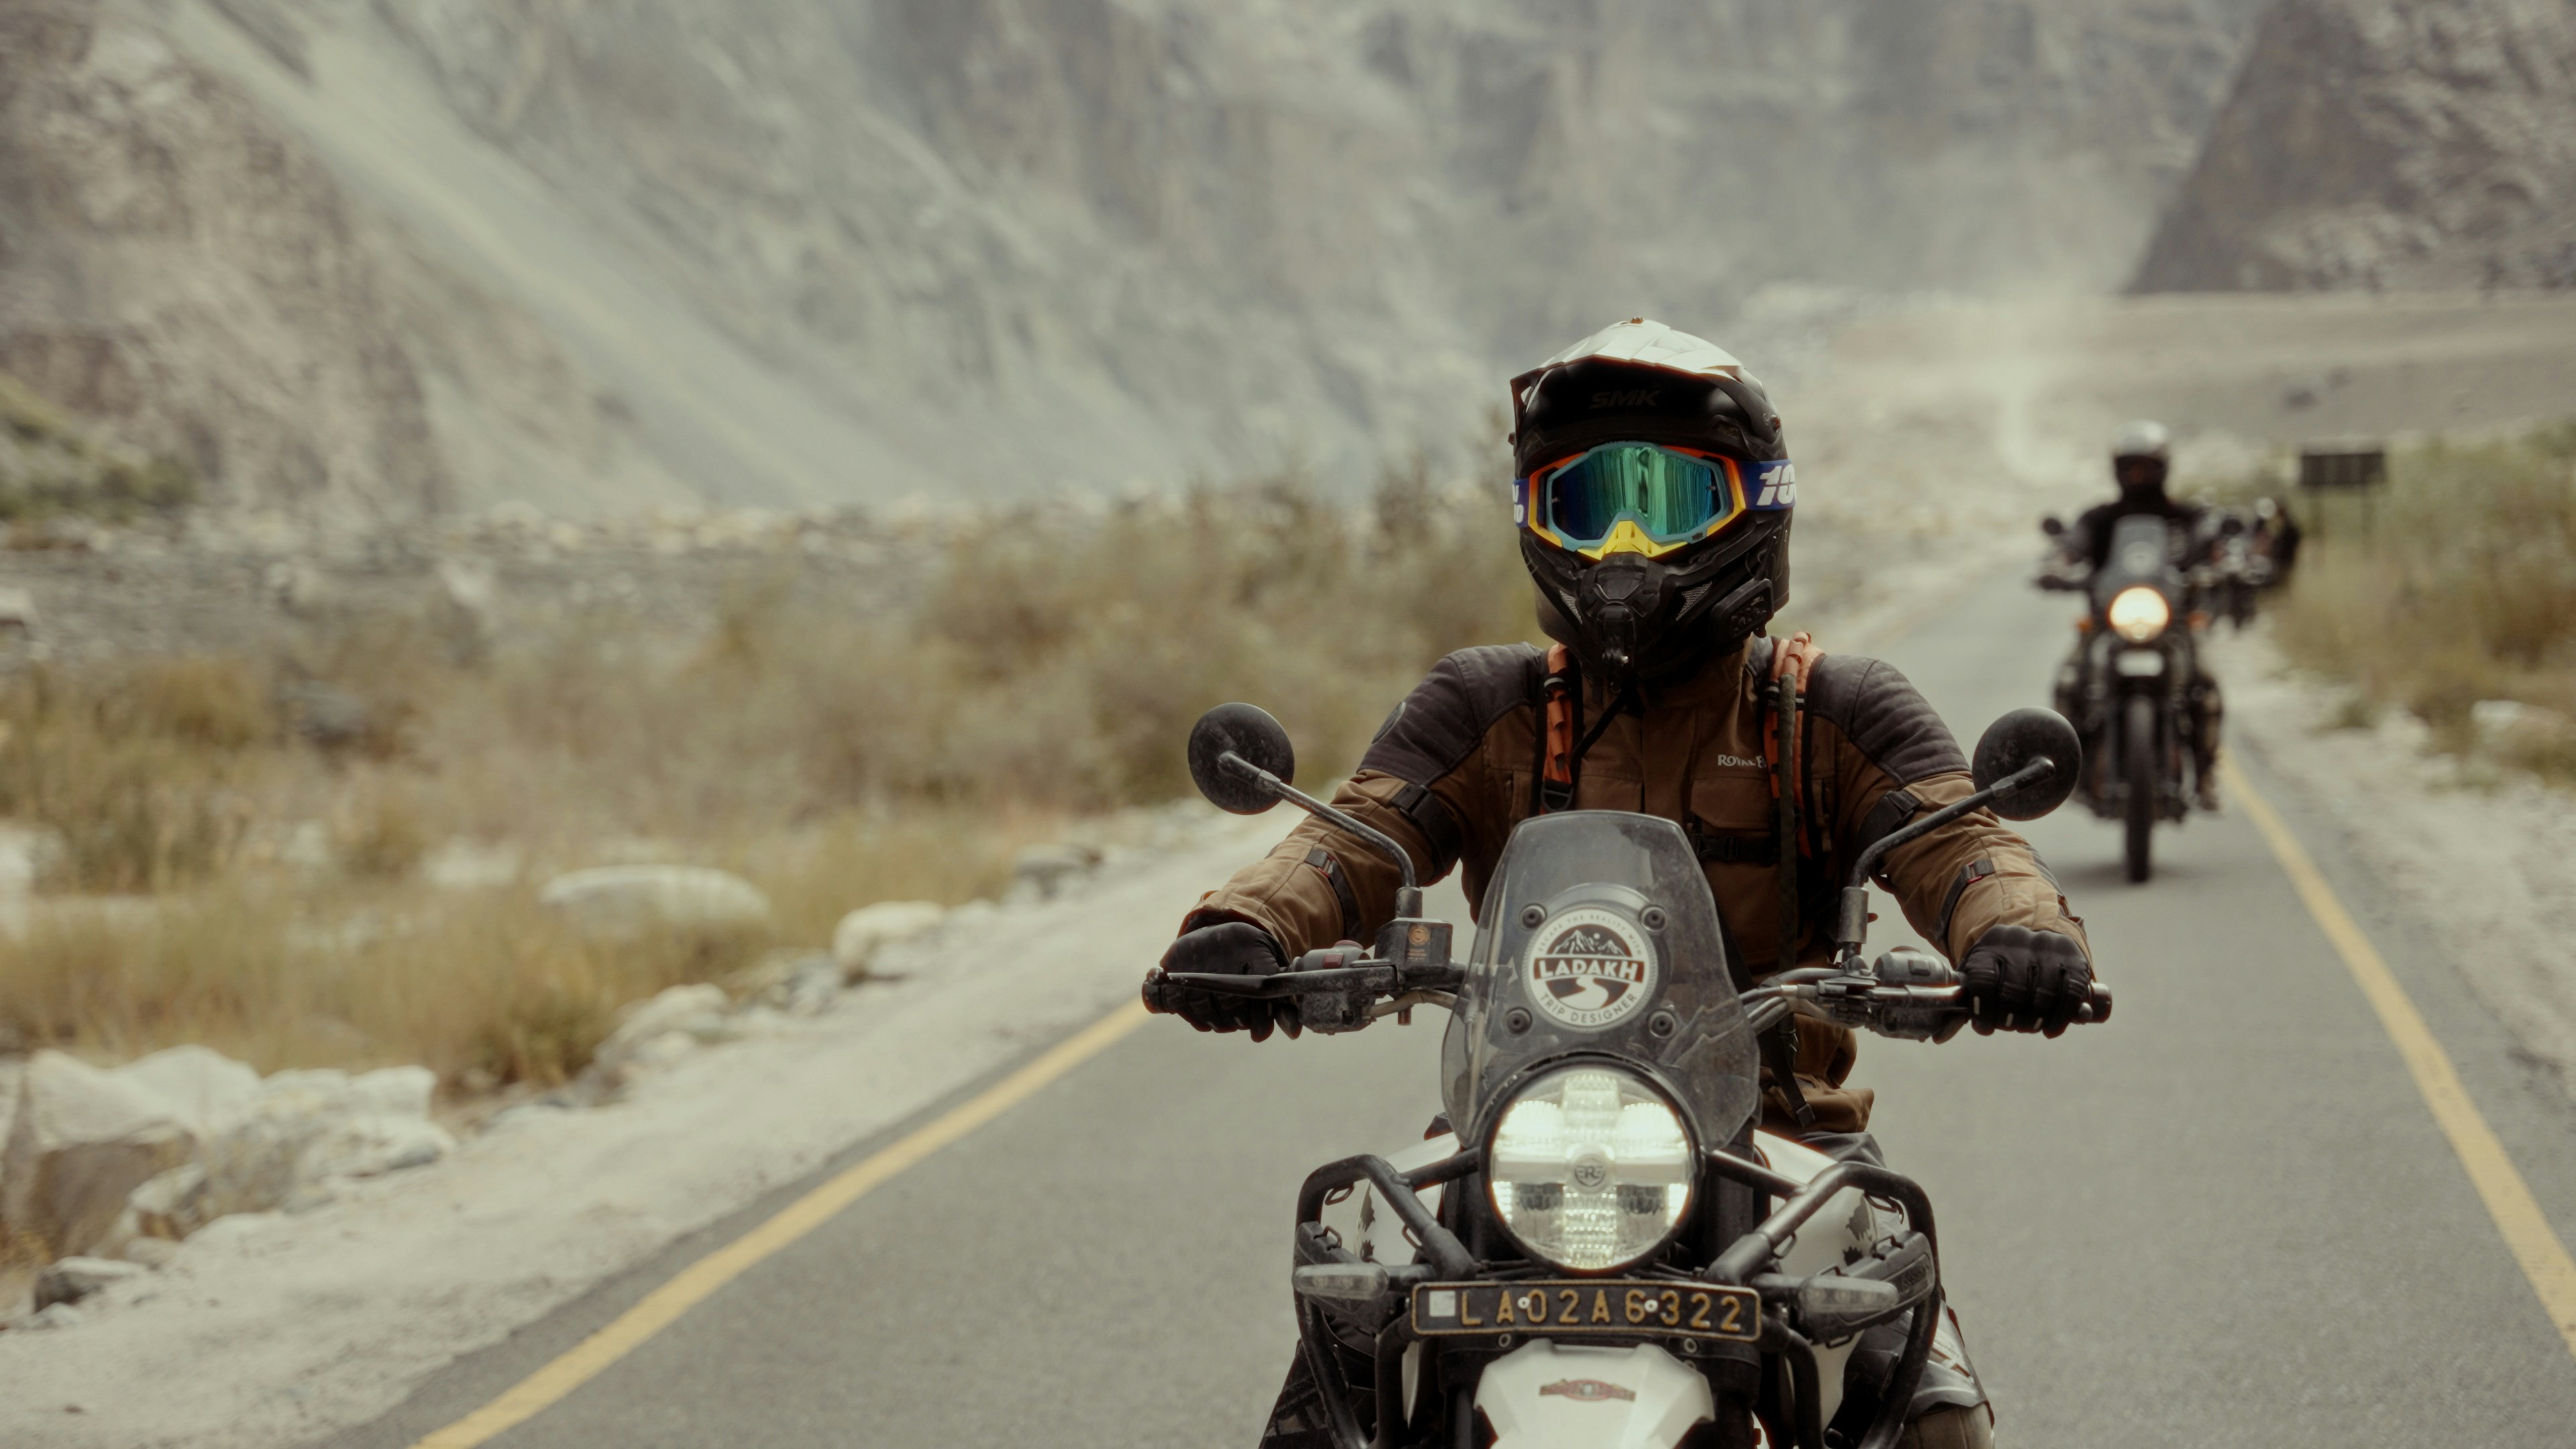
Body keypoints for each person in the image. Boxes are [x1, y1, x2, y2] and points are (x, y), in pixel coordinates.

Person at [1143, 319, 2097, 1449]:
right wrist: (1250, 923)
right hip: (1514, 1142)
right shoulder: (1482, 703)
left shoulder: (1839, 709)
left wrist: (2019, 935)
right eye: (1588, 506)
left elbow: (1967, 846)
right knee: (1329, 1390)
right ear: (1534, 522)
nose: (1630, 544)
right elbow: (1354, 836)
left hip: (1787, 1145)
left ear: (1760, 505)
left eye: (1676, 501)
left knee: (1938, 1423)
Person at [2052, 421, 2225, 809]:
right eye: (2130, 467)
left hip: (2174, 624)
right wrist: (2059, 563)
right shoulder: (2101, 518)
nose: (2138, 475)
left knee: (2208, 688)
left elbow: (2211, 544)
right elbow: (2073, 545)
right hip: (2106, 623)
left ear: (2162, 468)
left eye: (2145, 466)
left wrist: (2222, 561)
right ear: (2117, 470)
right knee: (2068, 685)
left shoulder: (2184, 517)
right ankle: (2070, 773)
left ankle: (2206, 774)